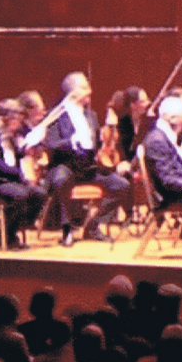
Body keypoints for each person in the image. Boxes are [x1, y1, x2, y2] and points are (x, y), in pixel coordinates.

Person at [28, 71, 131, 246]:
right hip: (65, 165)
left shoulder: (91, 115)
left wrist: (105, 137)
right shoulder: (57, 115)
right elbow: (51, 144)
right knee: (60, 180)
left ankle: (93, 226)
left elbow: (98, 144)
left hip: (88, 167)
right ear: (73, 92)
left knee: (122, 185)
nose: (89, 91)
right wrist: (71, 141)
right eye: (84, 87)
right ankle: (67, 229)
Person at [0, 100, 47, 247]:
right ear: (7, 117)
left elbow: (15, 155)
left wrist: (26, 150)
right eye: (18, 119)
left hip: (9, 180)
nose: (20, 124)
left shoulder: (11, 132)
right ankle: (6, 236)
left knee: (40, 193)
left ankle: (15, 227)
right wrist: (18, 174)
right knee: (20, 194)